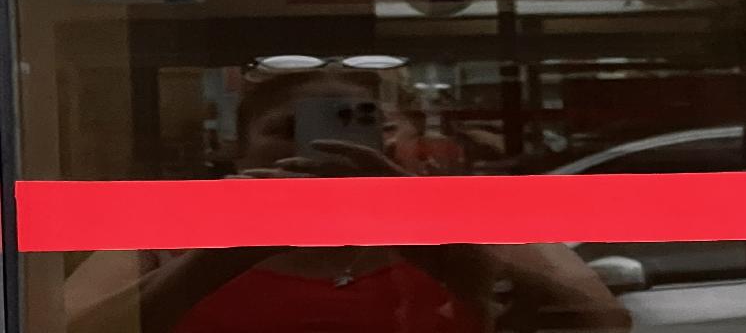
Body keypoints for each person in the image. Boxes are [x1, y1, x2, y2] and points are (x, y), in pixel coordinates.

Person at [65, 64, 630, 333]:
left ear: (414, 143)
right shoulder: (164, 235)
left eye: (372, 129)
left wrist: (438, 236)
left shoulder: (479, 225)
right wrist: (223, 254)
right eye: (287, 131)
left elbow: (599, 323)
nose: (321, 147)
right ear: (238, 152)